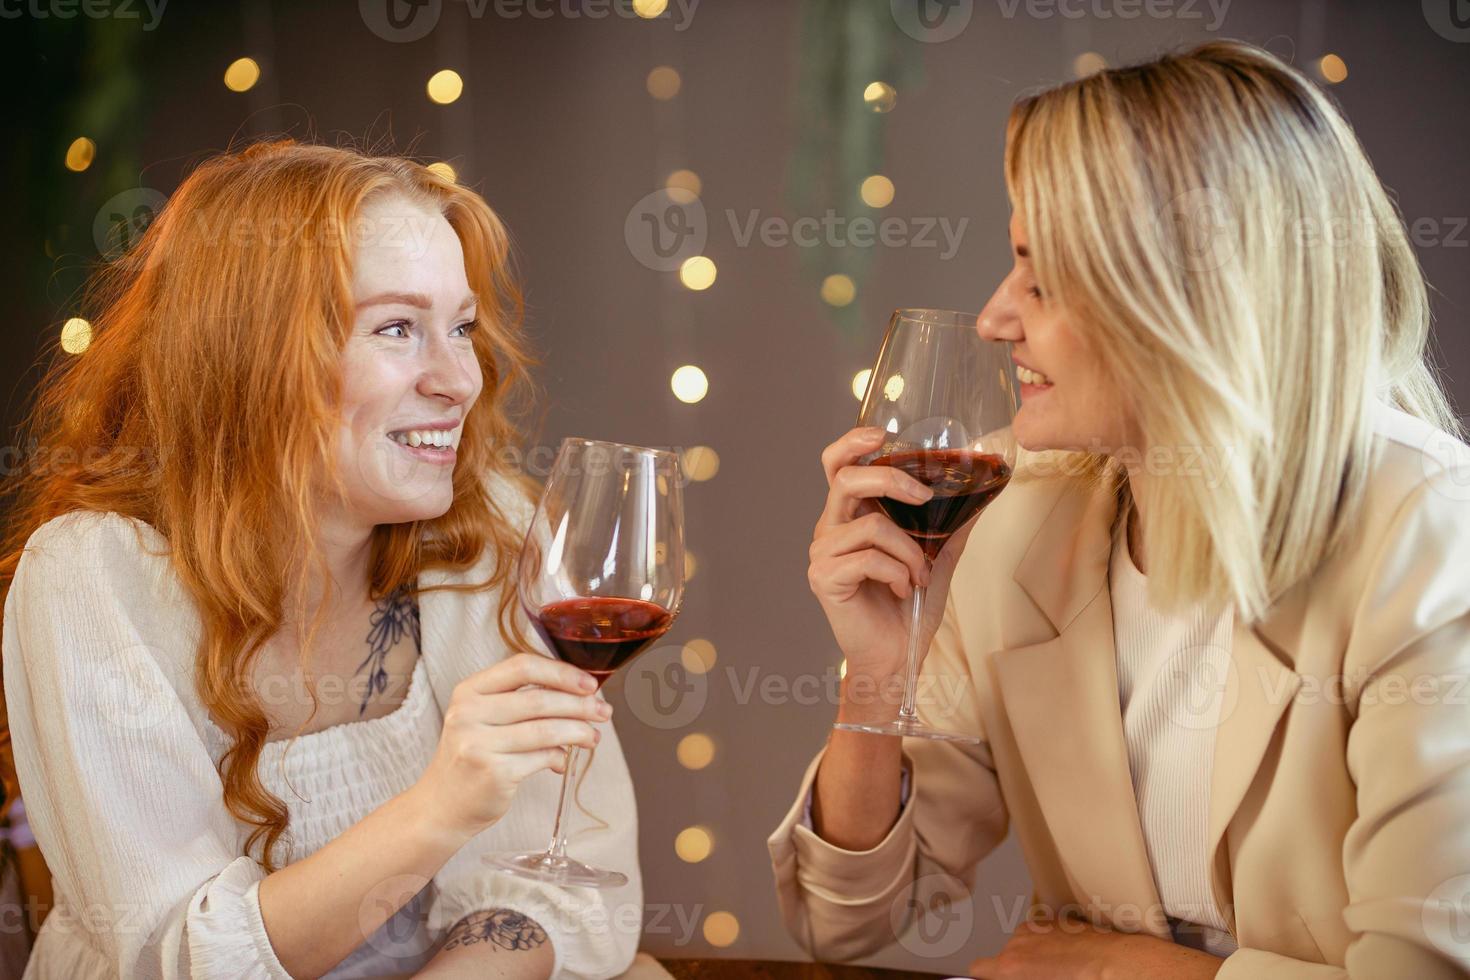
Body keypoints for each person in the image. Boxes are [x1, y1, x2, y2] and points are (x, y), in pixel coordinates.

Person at [771, 40, 1470, 980]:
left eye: (1039, 276)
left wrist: (1110, 970)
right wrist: (876, 675)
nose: (994, 317)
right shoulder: (1016, 503)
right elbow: (843, 925)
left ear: (1189, 294)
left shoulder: (1428, 531)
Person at [0, 140, 640, 979]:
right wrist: (440, 810)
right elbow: (180, 958)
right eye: (398, 328)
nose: (459, 380)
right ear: (252, 353)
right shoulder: (92, 576)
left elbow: (570, 887)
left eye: (462, 328)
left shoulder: (492, 528)